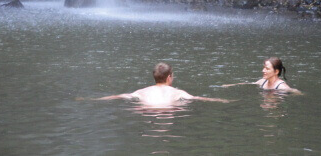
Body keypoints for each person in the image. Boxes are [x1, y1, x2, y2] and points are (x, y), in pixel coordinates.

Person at [81, 63, 231, 107]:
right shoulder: (177, 92)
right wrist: (222, 100)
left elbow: (119, 96)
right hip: (168, 111)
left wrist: (94, 100)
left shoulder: (142, 91)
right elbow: (199, 98)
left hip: (146, 110)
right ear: (169, 77)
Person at [222, 57, 301, 93]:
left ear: (276, 71)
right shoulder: (262, 81)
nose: (263, 71)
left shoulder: (281, 87)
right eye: (263, 68)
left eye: (267, 69)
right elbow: (249, 84)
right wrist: (231, 85)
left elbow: (294, 91)